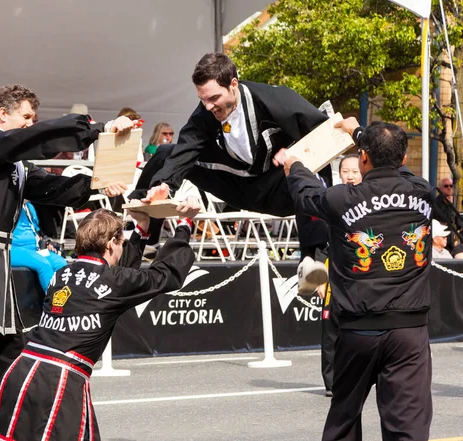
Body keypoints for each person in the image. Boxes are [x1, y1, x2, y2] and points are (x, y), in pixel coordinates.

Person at [0, 84, 133, 441]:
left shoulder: (14, 163)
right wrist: (99, 128)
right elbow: (34, 140)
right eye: (26, 117)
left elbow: (54, 189)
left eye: (33, 119)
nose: (30, 124)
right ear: (2, 114)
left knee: (6, 357)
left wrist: (101, 184)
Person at [0, 198, 200, 441]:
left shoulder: (62, 273)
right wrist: (184, 225)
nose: (121, 250)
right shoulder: (113, 281)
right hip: (59, 378)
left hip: (22, 368)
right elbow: (165, 275)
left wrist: (141, 229)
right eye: (120, 243)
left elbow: (120, 277)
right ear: (111, 243)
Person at [133, 52, 331, 293]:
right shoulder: (205, 112)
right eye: (203, 99)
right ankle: (146, 239)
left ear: (234, 84)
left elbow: (325, 132)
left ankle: (312, 260)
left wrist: (294, 153)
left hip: (277, 187)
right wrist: (165, 184)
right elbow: (187, 147)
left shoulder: (276, 99)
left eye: (214, 98)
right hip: (236, 184)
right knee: (165, 152)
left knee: (310, 169)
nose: (208, 106)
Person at [285, 119, 433, 441]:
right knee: (408, 427)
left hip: (357, 329)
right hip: (409, 330)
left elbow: (305, 193)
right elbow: (399, 170)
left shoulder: (342, 199)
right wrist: (359, 134)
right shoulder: (423, 191)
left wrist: (294, 164)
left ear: (363, 158)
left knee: (344, 420)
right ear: (404, 160)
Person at [317, 153, 362, 398]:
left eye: (355, 171)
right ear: (339, 173)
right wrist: (317, 279)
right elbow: (316, 244)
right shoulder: (329, 200)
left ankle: (361, 378)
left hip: (360, 277)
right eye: (346, 171)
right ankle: (332, 383)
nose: (351, 176)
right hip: (332, 276)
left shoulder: (370, 201)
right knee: (331, 331)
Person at [11, 201, 67, 293]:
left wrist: (47, 243)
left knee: (61, 263)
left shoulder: (28, 206)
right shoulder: (6, 205)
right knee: (43, 264)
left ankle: (64, 302)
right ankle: (53, 304)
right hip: (13, 249)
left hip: (34, 250)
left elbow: (37, 233)